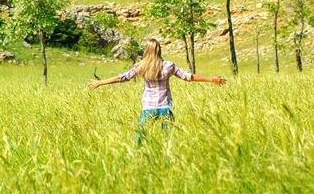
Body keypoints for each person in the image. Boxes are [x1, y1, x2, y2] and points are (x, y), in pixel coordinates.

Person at [88, 38, 226, 142]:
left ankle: (137, 159)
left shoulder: (141, 66)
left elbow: (122, 78)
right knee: (168, 141)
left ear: (146, 51)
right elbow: (188, 77)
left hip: (148, 108)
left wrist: (100, 82)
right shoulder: (168, 66)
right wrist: (211, 79)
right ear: (159, 50)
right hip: (164, 107)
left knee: (139, 138)